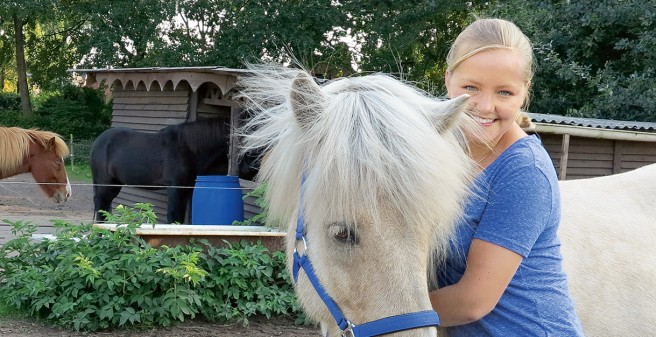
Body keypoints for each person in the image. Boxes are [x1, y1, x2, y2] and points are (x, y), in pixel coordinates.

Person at [429, 18, 585, 336]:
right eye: (471, 88)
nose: (485, 106)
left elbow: (473, 302)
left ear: (524, 92)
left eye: (504, 92)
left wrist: (378, 314)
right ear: (448, 80)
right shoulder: (438, 150)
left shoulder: (524, 171)